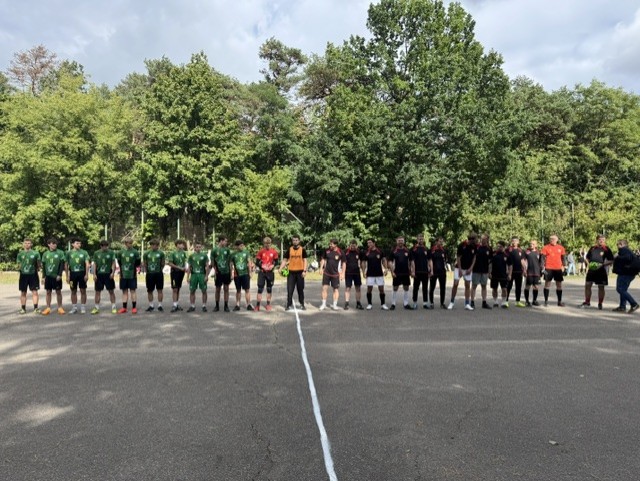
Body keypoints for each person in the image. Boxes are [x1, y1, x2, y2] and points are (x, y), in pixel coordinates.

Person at [580, 234, 614, 310]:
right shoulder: (592, 248)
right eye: (600, 239)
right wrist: (589, 264)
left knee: (601, 287)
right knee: (587, 285)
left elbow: (611, 260)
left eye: (603, 240)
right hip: (591, 270)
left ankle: (600, 303)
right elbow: (587, 258)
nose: (601, 241)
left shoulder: (606, 249)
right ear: (597, 240)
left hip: (601, 270)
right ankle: (587, 301)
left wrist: (603, 264)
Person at [448, 232, 477, 311]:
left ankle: (467, 304)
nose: (476, 241)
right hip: (459, 268)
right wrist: (460, 270)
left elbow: (474, 258)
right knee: (455, 284)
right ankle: (451, 302)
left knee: (467, 285)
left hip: (468, 269)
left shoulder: (474, 246)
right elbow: (458, 258)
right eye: (475, 239)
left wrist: (471, 268)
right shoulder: (462, 245)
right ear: (471, 239)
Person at [280, 235, 308, 311]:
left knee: (300, 289)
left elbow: (305, 260)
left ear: (299, 241)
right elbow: (285, 260)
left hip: (300, 272)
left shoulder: (302, 249)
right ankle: (289, 304)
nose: (295, 241)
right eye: (293, 240)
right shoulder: (289, 249)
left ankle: (302, 304)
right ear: (292, 241)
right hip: (291, 272)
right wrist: (280, 268)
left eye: (296, 240)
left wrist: (304, 271)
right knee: (290, 290)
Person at [612, 239, 639, 313]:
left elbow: (627, 258)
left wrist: (617, 256)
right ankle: (622, 306)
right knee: (623, 290)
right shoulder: (628, 250)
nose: (617, 246)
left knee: (620, 289)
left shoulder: (624, 250)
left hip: (626, 273)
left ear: (621, 244)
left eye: (617, 244)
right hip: (628, 273)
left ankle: (634, 304)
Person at [91, 240, 117, 315]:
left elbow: (113, 263)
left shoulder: (111, 253)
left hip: (108, 274)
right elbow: (94, 264)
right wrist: (94, 274)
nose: (105, 247)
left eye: (106, 246)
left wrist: (112, 273)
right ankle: (96, 308)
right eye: (103, 246)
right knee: (97, 292)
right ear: (101, 246)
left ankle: (113, 307)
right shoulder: (96, 253)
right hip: (99, 274)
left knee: (111, 291)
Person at [540, 234, 567, 307]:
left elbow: (563, 258)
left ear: (557, 240)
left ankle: (559, 301)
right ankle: (546, 301)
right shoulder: (546, 247)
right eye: (551, 239)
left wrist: (564, 267)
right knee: (547, 284)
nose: (552, 240)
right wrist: (542, 268)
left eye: (554, 239)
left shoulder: (561, 248)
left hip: (558, 269)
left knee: (559, 285)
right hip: (548, 268)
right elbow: (542, 258)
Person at [361, 238, 388, 310]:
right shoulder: (366, 252)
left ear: (374, 243)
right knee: (369, 289)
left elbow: (384, 260)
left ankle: (383, 304)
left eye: (370, 242)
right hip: (370, 274)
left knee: (381, 289)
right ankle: (369, 304)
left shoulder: (380, 251)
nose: (369, 244)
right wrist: (363, 272)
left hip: (379, 273)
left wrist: (386, 269)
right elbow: (363, 262)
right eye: (368, 243)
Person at [41, 238, 66, 315]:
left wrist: (59, 275)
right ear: (49, 244)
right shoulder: (45, 254)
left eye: (55, 243)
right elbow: (44, 266)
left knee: (58, 292)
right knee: (48, 292)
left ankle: (60, 307)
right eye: (53, 243)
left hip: (56, 276)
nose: (55, 245)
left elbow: (62, 264)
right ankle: (48, 308)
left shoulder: (60, 252)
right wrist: (43, 277)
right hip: (48, 276)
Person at [66, 238, 90, 314]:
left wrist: (86, 274)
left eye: (80, 243)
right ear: (72, 244)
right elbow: (66, 265)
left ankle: (83, 307)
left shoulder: (84, 252)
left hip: (82, 273)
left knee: (83, 290)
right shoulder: (69, 253)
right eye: (77, 243)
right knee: (73, 290)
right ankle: (74, 308)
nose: (79, 245)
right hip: (72, 274)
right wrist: (67, 276)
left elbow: (87, 264)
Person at [319, 238, 345, 310]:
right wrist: (321, 268)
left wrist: (343, 273)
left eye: (331, 244)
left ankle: (335, 305)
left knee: (335, 289)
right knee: (324, 288)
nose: (330, 245)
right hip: (326, 273)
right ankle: (323, 304)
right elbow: (323, 259)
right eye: (329, 244)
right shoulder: (326, 251)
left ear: (335, 245)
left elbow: (344, 263)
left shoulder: (340, 252)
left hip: (335, 274)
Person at [17, 238, 41, 314]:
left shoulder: (36, 253)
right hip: (23, 275)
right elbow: (19, 264)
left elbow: (39, 264)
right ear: (23, 244)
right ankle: (23, 309)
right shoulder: (20, 254)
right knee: (23, 292)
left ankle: (36, 308)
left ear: (31, 244)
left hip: (33, 275)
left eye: (29, 243)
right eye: (26, 243)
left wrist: (38, 268)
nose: (27, 244)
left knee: (35, 292)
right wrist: (20, 269)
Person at [116, 238, 141, 314]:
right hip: (123, 275)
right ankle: (124, 308)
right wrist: (122, 271)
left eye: (131, 243)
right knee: (124, 291)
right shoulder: (121, 252)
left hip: (132, 275)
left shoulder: (135, 252)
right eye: (128, 243)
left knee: (133, 291)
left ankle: (134, 308)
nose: (130, 244)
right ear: (125, 243)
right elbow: (119, 262)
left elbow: (138, 263)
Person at [255, 237, 278, 312]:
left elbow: (276, 262)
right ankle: (257, 305)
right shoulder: (261, 251)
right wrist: (262, 266)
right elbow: (257, 262)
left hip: (270, 273)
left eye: (268, 243)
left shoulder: (274, 252)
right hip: (262, 272)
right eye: (266, 243)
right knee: (260, 289)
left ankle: (268, 304)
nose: (267, 245)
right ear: (264, 244)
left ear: (270, 243)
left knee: (269, 289)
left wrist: (272, 266)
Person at [389, 236, 412, 310]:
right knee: (395, 288)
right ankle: (393, 304)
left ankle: (406, 304)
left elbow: (411, 261)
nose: (400, 242)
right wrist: (392, 272)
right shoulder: (393, 251)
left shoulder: (407, 251)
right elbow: (390, 262)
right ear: (397, 241)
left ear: (404, 241)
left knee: (406, 287)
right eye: (399, 240)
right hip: (397, 272)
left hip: (406, 272)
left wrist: (412, 271)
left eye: (402, 240)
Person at [230, 240, 254, 311]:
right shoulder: (233, 254)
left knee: (247, 289)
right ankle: (237, 305)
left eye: (243, 245)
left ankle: (248, 304)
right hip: (237, 275)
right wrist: (231, 274)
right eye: (240, 246)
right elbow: (231, 264)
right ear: (236, 246)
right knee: (238, 290)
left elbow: (249, 262)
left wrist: (250, 272)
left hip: (245, 274)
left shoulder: (246, 253)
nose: (242, 247)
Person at [186, 241, 210, 312]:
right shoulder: (191, 256)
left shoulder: (204, 256)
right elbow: (189, 267)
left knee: (204, 291)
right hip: (194, 275)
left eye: (199, 247)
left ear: (201, 247)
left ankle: (204, 306)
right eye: (197, 247)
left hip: (202, 275)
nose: (198, 248)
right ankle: (192, 306)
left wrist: (206, 276)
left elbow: (207, 266)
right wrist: (187, 277)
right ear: (194, 248)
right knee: (192, 291)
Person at [211, 236, 232, 312]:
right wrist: (215, 270)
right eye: (225, 241)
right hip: (218, 272)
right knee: (218, 289)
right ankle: (217, 306)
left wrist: (231, 273)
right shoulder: (214, 250)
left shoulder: (227, 250)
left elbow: (230, 262)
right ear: (221, 241)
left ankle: (226, 306)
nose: (226, 242)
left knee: (226, 288)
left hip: (226, 272)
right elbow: (212, 262)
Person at [143, 239, 166, 312]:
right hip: (150, 274)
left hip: (158, 273)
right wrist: (147, 271)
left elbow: (163, 263)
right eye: (152, 245)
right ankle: (151, 305)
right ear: (150, 245)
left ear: (158, 246)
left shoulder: (161, 253)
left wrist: (160, 270)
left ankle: (160, 305)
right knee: (150, 290)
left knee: (160, 289)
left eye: (156, 245)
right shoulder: (146, 253)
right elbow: (145, 263)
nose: (154, 246)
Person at [410, 234, 432, 309]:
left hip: (425, 272)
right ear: (417, 239)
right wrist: (412, 271)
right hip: (417, 272)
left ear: (423, 240)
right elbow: (412, 261)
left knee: (425, 288)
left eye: (422, 239)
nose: (421, 240)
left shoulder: (426, 249)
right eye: (419, 239)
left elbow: (429, 260)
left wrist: (431, 270)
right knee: (416, 288)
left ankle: (425, 303)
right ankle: (415, 303)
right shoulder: (413, 249)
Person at [471, 234, 492, 309]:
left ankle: (484, 302)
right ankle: (472, 302)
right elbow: (473, 258)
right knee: (474, 286)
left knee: (484, 286)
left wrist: (489, 272)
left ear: (487, 239)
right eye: (482, 238)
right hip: (476, 270)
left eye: (485, 239)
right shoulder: (477, 247)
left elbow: (490, 261)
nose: (483, 240)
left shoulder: (489, 249)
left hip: (485, 270)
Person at [167, 239, 188, 312]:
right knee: (175, 289)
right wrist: (179, 268)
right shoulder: (173, 253)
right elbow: (170, 263)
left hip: (181, 273)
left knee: (178, 288)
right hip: (174, 273)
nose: (183, 245)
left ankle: (176, 304)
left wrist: (185, 268)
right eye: (182, 244)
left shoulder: (183, 253)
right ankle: (174, 305)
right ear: (177, 245)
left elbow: (185, 261)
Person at [489, 241, 512, 308]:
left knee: (504, 289)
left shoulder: (507, 255)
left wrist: (510, 274)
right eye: (498, 246)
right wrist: (489, 273)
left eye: (500, 246)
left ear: (503, 247)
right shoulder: (494, 254)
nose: (499, 248)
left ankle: (503, 302)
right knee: (494, 288)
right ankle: (495, 301)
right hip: (494, 274)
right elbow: (490, 264)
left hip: (503, 275)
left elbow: (510, 265)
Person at [343, 240, 364, 310]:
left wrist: (363, 271)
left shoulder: (359, 252)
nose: (353, 247)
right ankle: (346, 303)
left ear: (356, 246)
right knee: (348, 288)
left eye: (354, 246)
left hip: (357, 273)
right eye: (351, 246)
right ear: (349, 245)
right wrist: (342, 272)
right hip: (348, 273)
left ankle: (358, 303)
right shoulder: (346, 252)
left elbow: (362, 262)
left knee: (358, 288)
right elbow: (343, 262)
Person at [506, 236, 526, 307]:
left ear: (518, 242)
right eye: (513, 241)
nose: (514, 242)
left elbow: (522, 261)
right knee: (508, 287)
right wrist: (507, 270)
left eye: (516, 241)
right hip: (510, 272)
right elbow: (505, 260)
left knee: (518, 287)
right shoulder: (508, 250)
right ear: (511, 241)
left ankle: (518, 301)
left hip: (519, 272)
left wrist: (524, 270)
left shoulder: (521, 250)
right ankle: (506, 301)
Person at [522, 240, 542, 306]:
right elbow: (523, 260)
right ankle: (527, 301)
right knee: (527, 286)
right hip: (529, 272)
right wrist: (524, 270)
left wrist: (541, 271)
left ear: (536, 245)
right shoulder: (526, 252)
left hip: (536, 272)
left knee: (536, 287)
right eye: (530, 244)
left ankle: (534, 300)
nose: (531, 245)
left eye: (533, 244)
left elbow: (541, 262)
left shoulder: (539, 252)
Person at [429, 237, 448, 309]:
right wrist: (431, 271)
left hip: (442, 272)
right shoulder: (432, 250)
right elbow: (429, 261)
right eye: (440, 241)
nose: (441, 243)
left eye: (442, 241)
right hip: (434, 272)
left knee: (443, 288)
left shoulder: (444, 250)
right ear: (436, 242)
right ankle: (431, 303)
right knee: (432, 287)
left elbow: (445, 260)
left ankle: (442, 303)